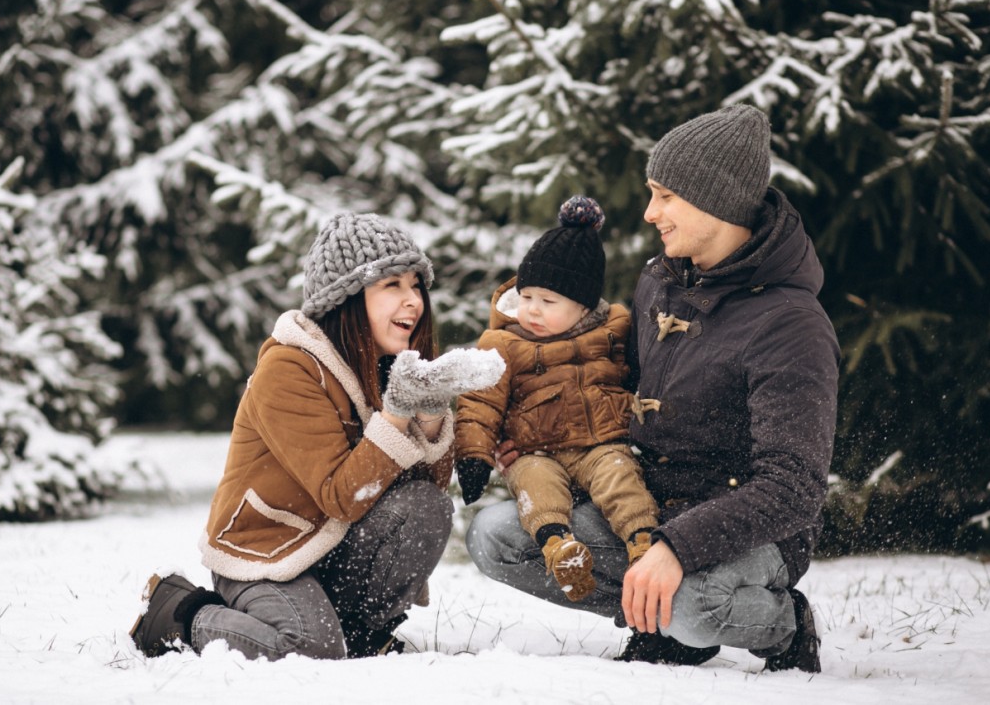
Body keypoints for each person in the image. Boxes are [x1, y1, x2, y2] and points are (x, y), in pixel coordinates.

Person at [465, 104, 839, 673]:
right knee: (498, 536)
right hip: (649, 506)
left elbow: (795, 489)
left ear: (715, 198)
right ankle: (656, 621)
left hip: (750, 535)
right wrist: (541, 437)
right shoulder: (659, 281)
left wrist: (679, 547)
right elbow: (610, 390)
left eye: (665, 195)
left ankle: (782, 625)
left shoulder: (791, 322)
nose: (649, 212)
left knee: (691, 606)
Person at [128, 211, 503, 661]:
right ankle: (178, 613)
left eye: (415, 284)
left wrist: (429, 407)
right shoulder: (289, 369)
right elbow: (341, 495)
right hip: (267, 554)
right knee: (308, 645)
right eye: (392, 285)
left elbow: (429, 486)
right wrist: (398, 411)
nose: (414, 300)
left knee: (427, 506)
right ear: (346, 297)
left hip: (333, 546)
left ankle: (363, 633)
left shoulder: (388, 365)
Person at [453, 196, 659, 603]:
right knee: (536, 485)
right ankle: (559, 548)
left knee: (619, 477)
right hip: (535, 450)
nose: (532, 310)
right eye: (526, 296)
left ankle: (643, 546)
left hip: (600, 445)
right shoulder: (505, 343)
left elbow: (643, 374)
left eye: (548, 302)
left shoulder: (614, 331)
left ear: (583, 307)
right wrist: (474, 457)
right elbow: (479, 402)